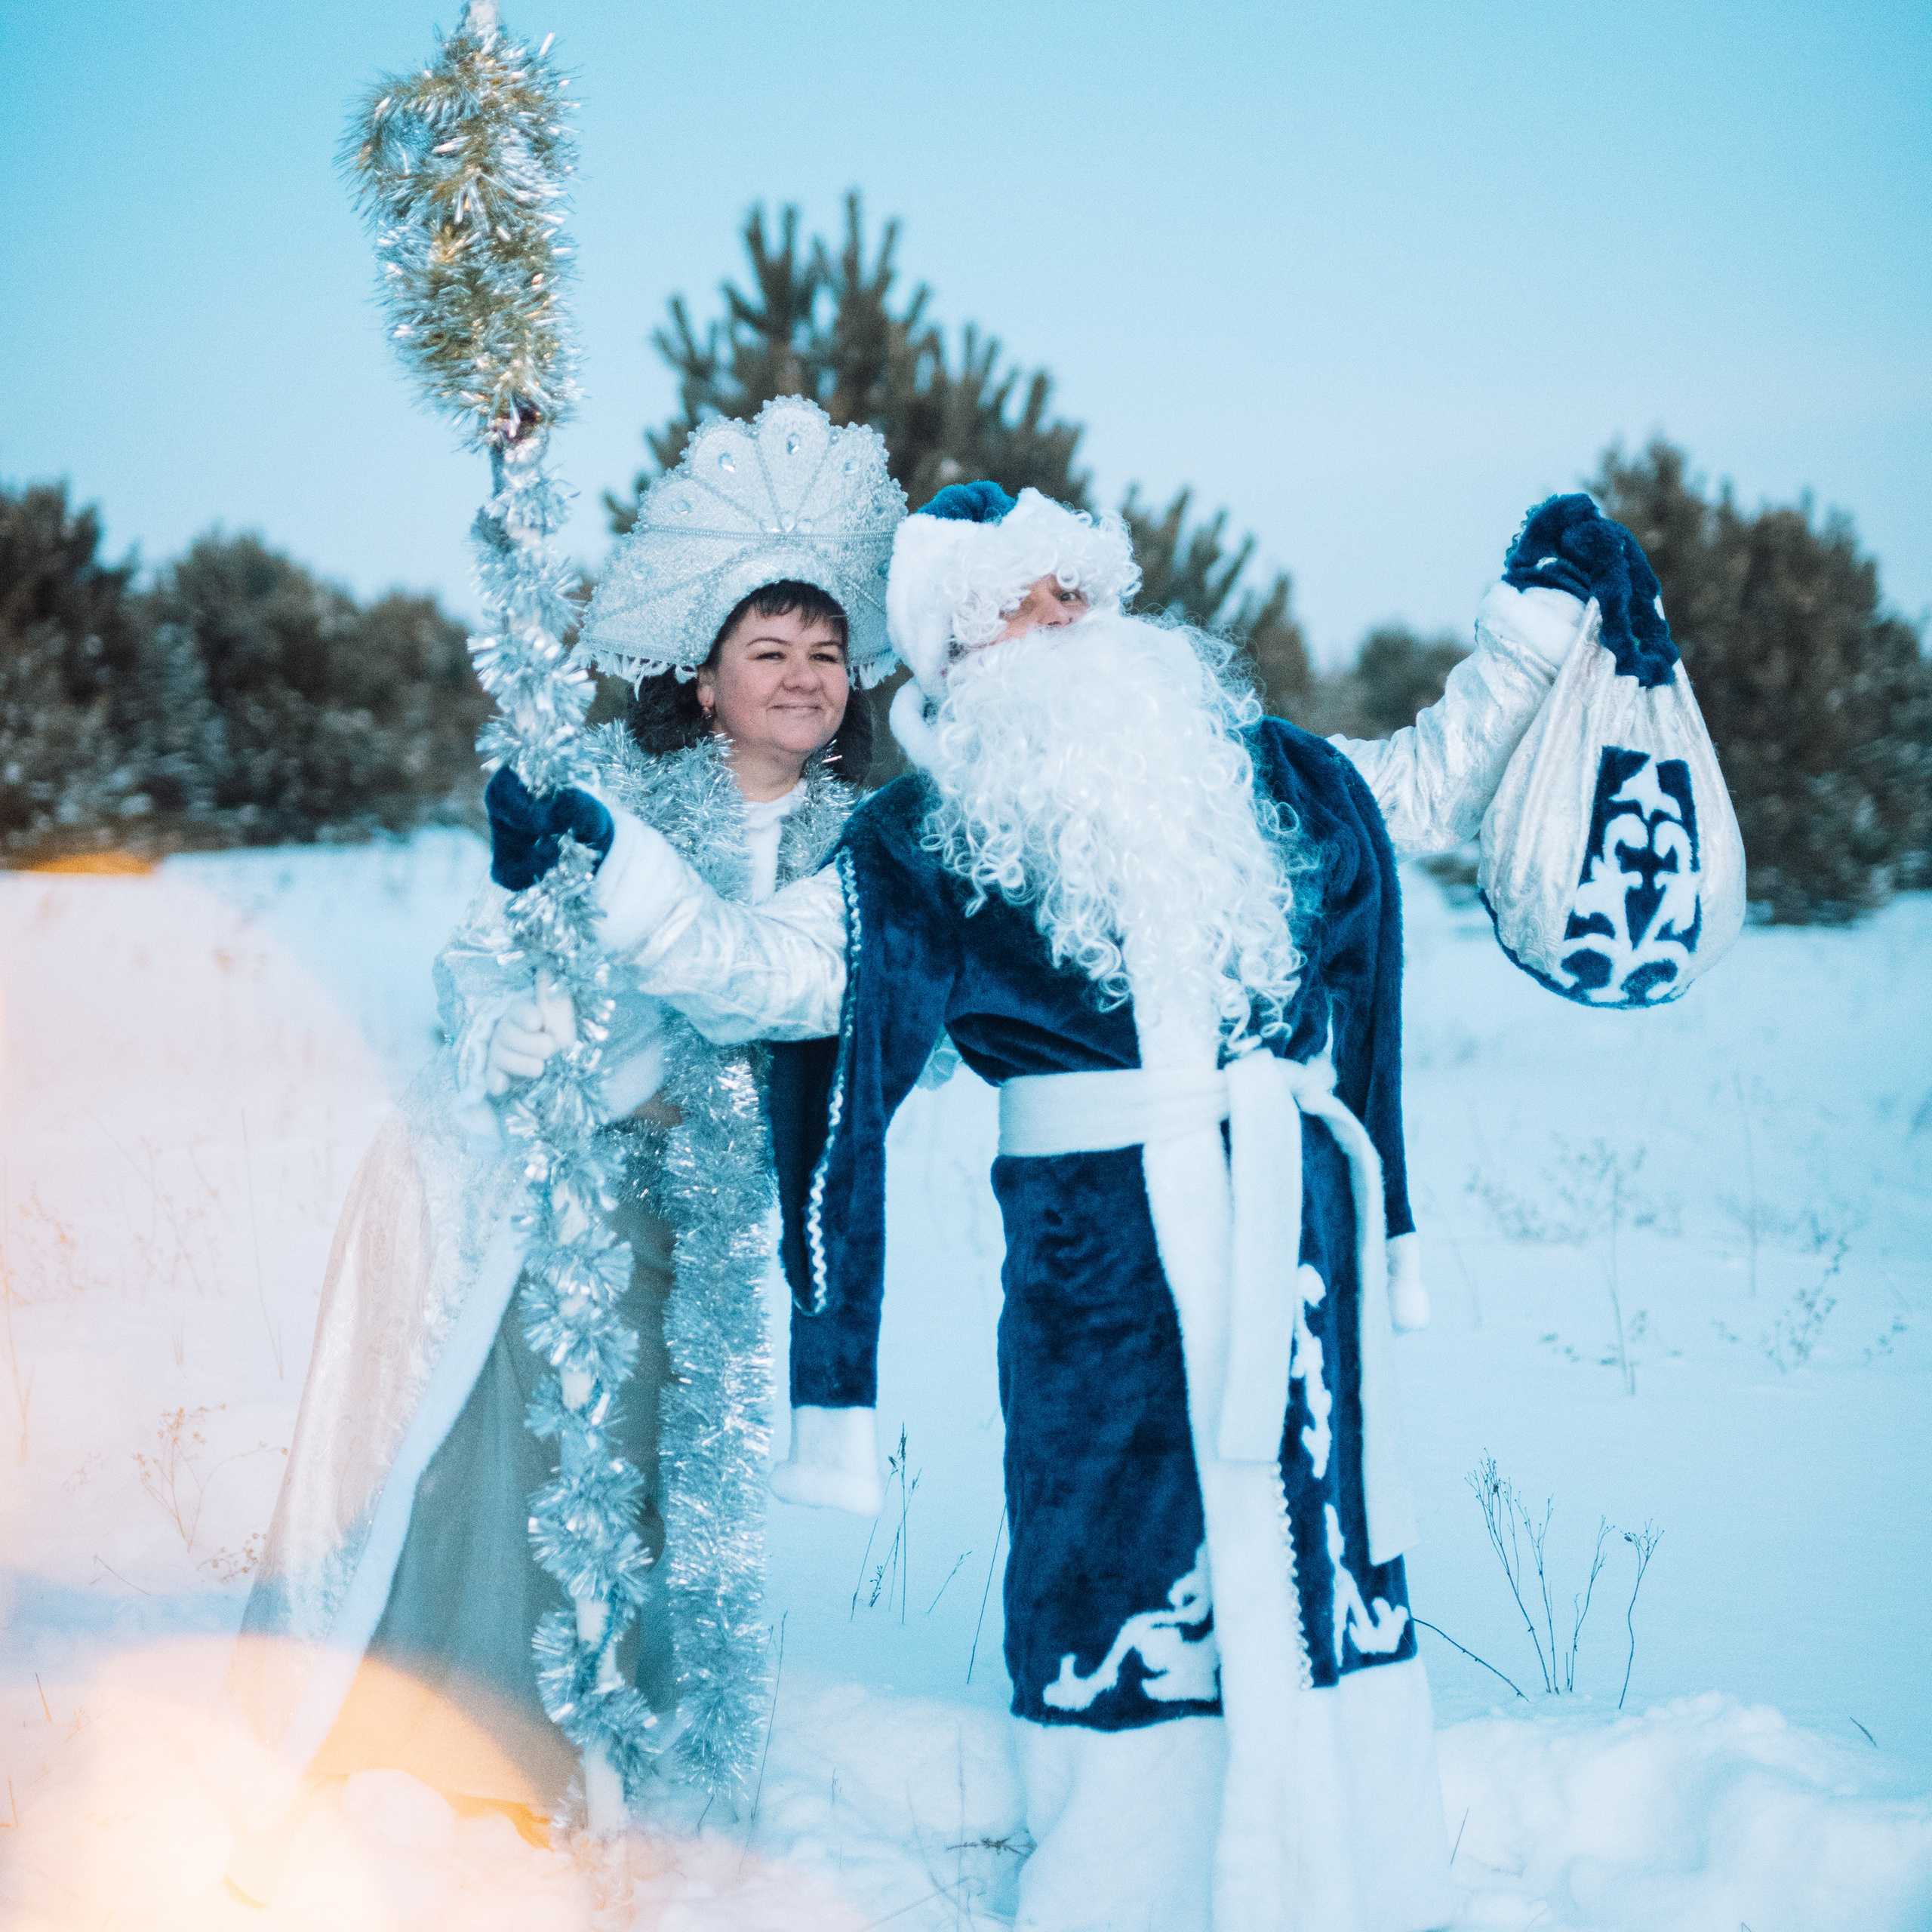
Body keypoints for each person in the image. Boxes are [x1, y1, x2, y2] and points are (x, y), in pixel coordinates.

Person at [491, 481, 1654, 1930]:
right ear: (961, 655)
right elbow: (765, 970)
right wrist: (613, 869)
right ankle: (1134, 1890)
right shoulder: (930, 845)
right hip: (1100, 1268)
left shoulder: (1267, 776)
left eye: (1079, 592)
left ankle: (1351, 1877)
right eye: (1024, 604)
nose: (1071, 622)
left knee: (1319, 1542)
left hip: (1294, 1251)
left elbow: (1418, 784)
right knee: (1116, 1551)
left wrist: (1536, 640)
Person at [222, 398, 906, 1890]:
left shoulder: (865, 847)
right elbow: (484, 964)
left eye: (823, 650)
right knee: (527, 1465)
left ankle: (636, 1773)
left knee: (669, 1492)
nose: (801, 676)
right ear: (706, 678)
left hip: (722, 1221)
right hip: (559, 1197)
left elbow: (791, 991)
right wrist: (510, 1035)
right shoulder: (601, 790)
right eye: (766, 649)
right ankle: (460, 1758)